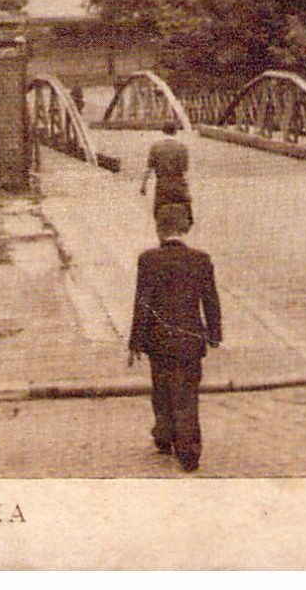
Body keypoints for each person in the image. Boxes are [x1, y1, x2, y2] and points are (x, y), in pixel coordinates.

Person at [127, 202, 221, 472]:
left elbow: (142, 304)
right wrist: (214, 334)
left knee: (162, 389)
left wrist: (135, 341)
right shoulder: (201, 260)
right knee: (188, 394)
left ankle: (165, 435)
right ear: (184, 229)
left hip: (158, 341)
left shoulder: (148, 260)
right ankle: (189, 450)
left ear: (159, 230)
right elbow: (211, 301)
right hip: (191, 340)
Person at [139, 120, 191, 226]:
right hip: (178, 187)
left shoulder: (155, 147)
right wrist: (188, 191)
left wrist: (143, 186)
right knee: (187, 218)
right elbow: (185, 173)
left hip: (162, 187)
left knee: (158, 217)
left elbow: (148, 169)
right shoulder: (182, 148)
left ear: (163, 131)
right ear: (175, 131)